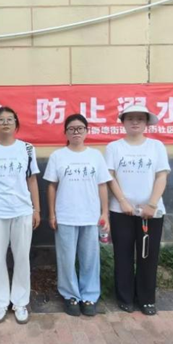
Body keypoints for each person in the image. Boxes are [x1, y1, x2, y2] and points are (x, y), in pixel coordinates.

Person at [0, 106, 41, 324]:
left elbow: (32, 180)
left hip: (22, 210)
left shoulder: (27, 149)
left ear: (16, 124)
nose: (5, 123)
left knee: (22, 257)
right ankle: (0, 302)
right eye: (1, 120)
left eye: (9, 119)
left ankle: (20, 302)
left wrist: (36, 209)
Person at [44, 114, 112, 317]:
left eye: (80, 128)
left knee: (90, 258)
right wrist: (52, 214)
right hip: (65, 215)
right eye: (71, 129)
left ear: (86, 131)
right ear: (65, 132)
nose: (76, 132)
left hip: (90, 215)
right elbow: (52, 186)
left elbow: (102, 185)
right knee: (66, 258)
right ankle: (70, 295)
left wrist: (105, 213)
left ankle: (89, 295)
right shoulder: (58, 156)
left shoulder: (95, 156)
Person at [105, 104, 170, 316]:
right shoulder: (114, 147)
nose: (135, 122)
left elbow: (161, 176)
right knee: (122, 255)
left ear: (146, 123)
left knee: (148, 256)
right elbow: (110, 176)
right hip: (120, 211)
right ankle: (124, 297)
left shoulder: (156, 146)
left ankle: (146, 299)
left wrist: (152, 204)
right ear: (123, 122)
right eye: (130, 118)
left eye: (140, 118)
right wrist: (122, 201)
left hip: (151, 213)